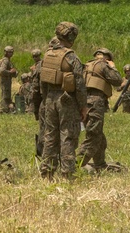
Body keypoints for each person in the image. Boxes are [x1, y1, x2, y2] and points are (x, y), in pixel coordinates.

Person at [38, 22, 88, 180]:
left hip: (50, 99)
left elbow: (42, 81)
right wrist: (83, 106)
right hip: (66, 100)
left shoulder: (48, 55)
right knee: (68, 135)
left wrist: (46, 99)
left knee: (50, 135)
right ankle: (67, 173)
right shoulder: (71, 57)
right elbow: (79, 84)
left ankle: (47, 171)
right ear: (72, 37)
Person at [77, 47, 123, 173]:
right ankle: (76, 164)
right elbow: (117, 80)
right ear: (107, 58)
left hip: (83, 102)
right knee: (94, 135)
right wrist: (113, 67)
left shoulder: (86, 65)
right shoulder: (102, 65)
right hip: (95, 102)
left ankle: (100, 164)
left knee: (99, 136)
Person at [0, 46, 18, 113]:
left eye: (12, 52)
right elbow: (2, 71)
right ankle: (4, 109)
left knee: (6, 95)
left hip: (6, 80)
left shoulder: (5, 60)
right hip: (5, 80)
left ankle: (6, 109)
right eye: (9, 52)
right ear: (5, 52)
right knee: (5, 96)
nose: (11, 53)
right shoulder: (5, 61)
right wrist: (10, 72)